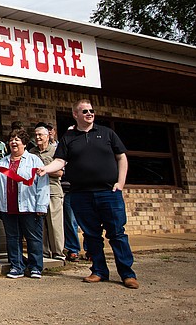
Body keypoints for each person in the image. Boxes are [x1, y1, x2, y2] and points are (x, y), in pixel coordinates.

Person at [37, 99, 139, 289]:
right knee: (91, 236)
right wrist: (45, 169)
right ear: (75, 114)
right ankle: (99, 271)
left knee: (117, 234)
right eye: (85, 111)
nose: (89, 114)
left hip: (109, 193)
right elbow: (60, 161)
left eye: (91, 111)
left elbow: (121, 157)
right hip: (81, 195)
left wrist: (121, 182)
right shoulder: (69, 137)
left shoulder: (106, 133)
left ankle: (127, 274)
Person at [0, 129, 48, 279]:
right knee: (12, 238)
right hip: (8, 207)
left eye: (17, 139)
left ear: (24, 143)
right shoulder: (2, 162)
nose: (13, 142)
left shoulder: (34, 160)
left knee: (33, 238)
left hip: (29, 207)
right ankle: (16, 267)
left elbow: (43, 184)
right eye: (11, 139)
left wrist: (41, 206)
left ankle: (35, 267)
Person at [30, 124, 65, 261]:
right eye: (36, 135)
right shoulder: (32, 152)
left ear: (47, 136)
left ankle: (58, 253)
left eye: (41, 135)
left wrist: (45, 169)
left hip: (53, 191)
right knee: (41, 224)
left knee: (55, 224)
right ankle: (44, 252)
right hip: (36, 192)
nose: (38, 137)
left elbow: (60, 172)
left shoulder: (55, 151)